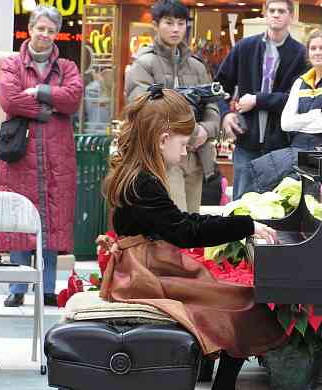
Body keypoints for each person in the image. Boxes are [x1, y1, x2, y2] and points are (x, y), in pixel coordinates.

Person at [101, 85, 285, 390]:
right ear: (162, 140)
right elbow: (186, 231)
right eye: (185, 144)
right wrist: (245, 225)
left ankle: (210, 373)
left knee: (229, 295)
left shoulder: (135, 173)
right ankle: (221, 383)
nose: (186, 152)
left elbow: (180, 225)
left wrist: (236, 223)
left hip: (143, 267)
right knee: (245, 303)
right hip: (143, 276)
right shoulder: (144, 182)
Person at [0, 5, 83, 308]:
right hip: (20, 152)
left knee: (51, 220)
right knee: (20, 216)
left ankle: (47, 287)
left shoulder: (68, 67)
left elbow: (73, 99)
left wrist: (39, 91)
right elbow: (9, 98)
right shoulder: (11, 64)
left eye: (50, 30)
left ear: (55, 33)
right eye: (40, 28)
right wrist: (48, 106)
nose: (44, 35)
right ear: (30, 29)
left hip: (56, 154)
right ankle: (18, 286)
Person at [125, 0, 219, 213]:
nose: (176, 29)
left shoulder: (197, 65)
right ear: (156, 25)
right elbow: (145, 108)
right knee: (173, 224)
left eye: (181, 23)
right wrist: (193, 131)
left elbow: (212, 104)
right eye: (169, 22)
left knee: (193, 225)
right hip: (161, 157)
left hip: (196, 156)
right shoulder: (144, 63)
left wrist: (207, 129)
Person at [240, 29, 322, 193]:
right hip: (295, 150)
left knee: (311, 199)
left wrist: (299, 121)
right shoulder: (300, 83)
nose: (317, 52)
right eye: (313, 48)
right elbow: (286, 124)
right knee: (262, 181)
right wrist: (315, 116)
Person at [214, 0, 308, 200]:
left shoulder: (301, 54)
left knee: (277, 207)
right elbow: (219, 87)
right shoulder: (245, 47)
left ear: (291, 16)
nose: (275, 15)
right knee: (241, 206)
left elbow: (297, 99)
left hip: (281, 145)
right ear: (265, 15)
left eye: (281, 11)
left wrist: (258, 100)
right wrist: (225, 114)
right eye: (271, 10)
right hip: (246, 142)